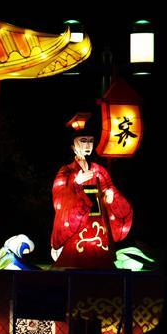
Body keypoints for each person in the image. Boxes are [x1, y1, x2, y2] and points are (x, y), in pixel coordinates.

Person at [50, 115, 132, 269]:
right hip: (77, 225)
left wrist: (111, 196)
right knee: (75, 258)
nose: (87, 145)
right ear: (73, 145)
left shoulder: (99, 170)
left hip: (99, 225)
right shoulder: (66, 171)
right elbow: (59, 196)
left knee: (100, 257)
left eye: (90, 141)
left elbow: (110, 188)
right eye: (83, 141)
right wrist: (76, 184)